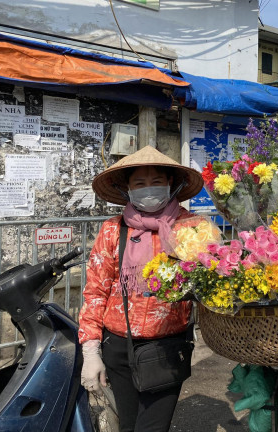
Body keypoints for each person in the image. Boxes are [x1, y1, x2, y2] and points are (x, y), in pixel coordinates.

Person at [78, 145, 204, 432]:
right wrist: (91, 351)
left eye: (157, 181)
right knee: (129, 425)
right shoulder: (113, 229)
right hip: (118, 347)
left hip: (166, 348)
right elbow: (96, 290)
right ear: (127, 189)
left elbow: (208, 282)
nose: (149, 189)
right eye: (140, 183)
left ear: (170, 184)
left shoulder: (191, 228)